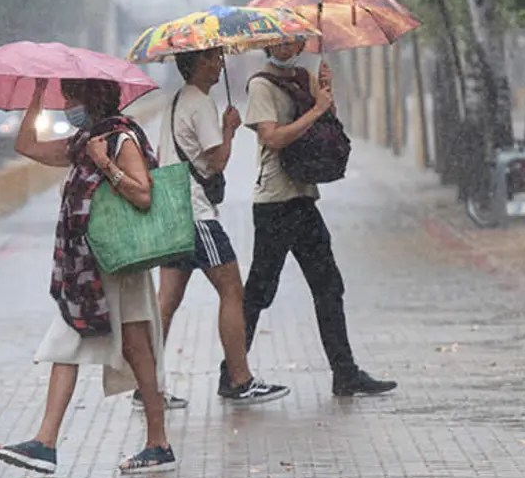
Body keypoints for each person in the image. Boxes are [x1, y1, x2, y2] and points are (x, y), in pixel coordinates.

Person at [0, 78, 176, 476]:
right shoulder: (83, 143)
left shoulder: (118, 139)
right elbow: (25, 146)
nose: (67, 107)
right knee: (123, 347)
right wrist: (37, 96)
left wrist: (106, 164)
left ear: (90, 99)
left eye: (70, 98)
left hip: (113, 265)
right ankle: (154, 442)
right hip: (89, 268)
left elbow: (143, 194)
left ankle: (49, 443)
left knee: (104, 344)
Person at [222, 40, 398, 398]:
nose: (287, 48)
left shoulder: (302, 79)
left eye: (293, 42)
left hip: (303, 198)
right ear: (269, 44)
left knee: (329, 285)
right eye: (280, 43)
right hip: (274, 202)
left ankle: (345, 373)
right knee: (259, 292)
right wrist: (316, 110)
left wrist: (325, 95)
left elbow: (324, 125)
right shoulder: (260, 85)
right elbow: (273, 137)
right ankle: (232, 376)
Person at [140, 48, 290, 410]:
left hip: (172, 210)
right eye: (213, 58)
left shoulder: (177, 101)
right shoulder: (199, 103)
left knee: (167, 301)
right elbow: (217, 162)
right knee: (232, 290)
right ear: (197, 64)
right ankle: (240, 380)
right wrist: (229, 129)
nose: (219, 63)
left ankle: (145, 387)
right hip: (196, 213)